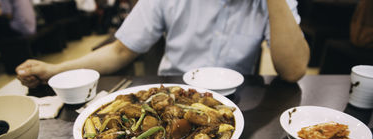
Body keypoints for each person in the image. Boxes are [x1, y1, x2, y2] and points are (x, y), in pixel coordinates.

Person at [16, 0, 310, 88]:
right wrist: (56, 69)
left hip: (236, 101)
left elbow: (294, 70)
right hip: (172, 90)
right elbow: (120, 50)